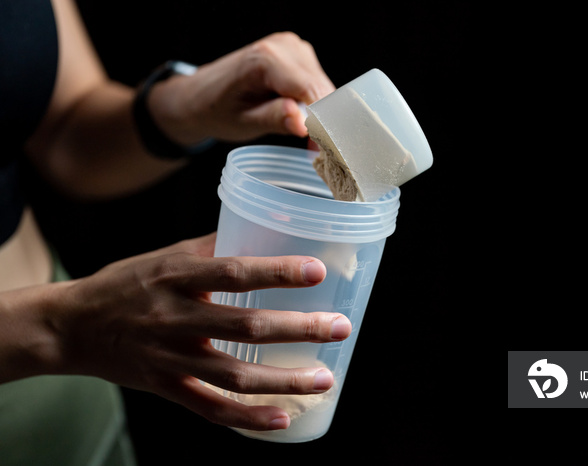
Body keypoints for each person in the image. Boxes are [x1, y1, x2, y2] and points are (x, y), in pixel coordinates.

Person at [0, 0, 348, 464]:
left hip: (73, 397)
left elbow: (62, 129)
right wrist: (62, 329)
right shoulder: (74, 330)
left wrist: (180, 106)